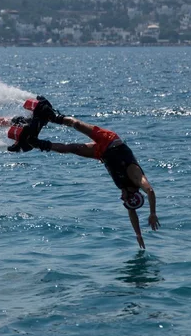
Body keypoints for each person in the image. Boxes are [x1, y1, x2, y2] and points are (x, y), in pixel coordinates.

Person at [10, 97, 160, 249]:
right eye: (125, 198)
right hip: (110, 141)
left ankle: (35, 143)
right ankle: (53, 116)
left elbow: (132, 212)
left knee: (72, 149)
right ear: (132, 194)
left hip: (102, 154)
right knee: (77, 124)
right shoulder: (135, 176)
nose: (122, 198)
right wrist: (152, 213)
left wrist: (138, 234)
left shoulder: (125, 189)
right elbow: (150, 190)